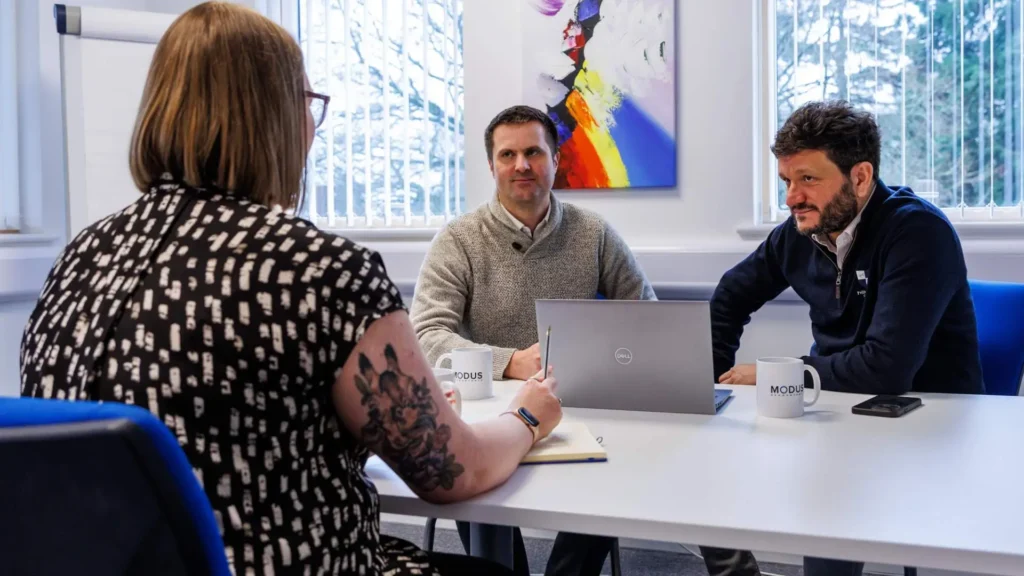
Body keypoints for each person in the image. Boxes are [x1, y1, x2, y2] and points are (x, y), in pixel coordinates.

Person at [19, 4, 563, 576]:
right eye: (309, 103)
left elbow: (212, 427)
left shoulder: (80, 257)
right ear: (276, 118)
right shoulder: (318, 271)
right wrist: (525, 418)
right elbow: (455, 471)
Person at [410, 105, 759, 576]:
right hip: (492, 408)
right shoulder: (458, 239)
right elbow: (426, 333)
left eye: (534, 151)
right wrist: (510, 361)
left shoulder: (592, 232)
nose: (521, 165)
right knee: (472, 470)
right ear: (491, 165)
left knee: (617, 465)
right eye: (507, 154)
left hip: (586, 403)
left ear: (556, 159)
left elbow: (646, 316)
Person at [711, 100, 984, 575]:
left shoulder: (918, 232)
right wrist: (707, 378)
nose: (792, 196)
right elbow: (731, 295)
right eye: (787, 182)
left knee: (827, 501)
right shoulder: (799, 232)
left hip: (927, 422)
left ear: (859, 178)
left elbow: (887, 367)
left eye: (808, 179)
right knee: (716, 459)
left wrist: (779, 376)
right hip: (836, 410)